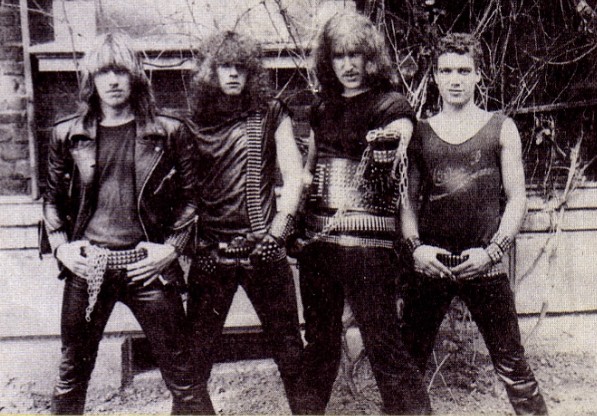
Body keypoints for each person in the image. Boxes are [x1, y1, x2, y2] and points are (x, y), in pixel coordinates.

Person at [42, 32, 207, 414]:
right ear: (92, 78)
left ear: (135, 76)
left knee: (185, 379)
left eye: (121, 71)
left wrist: (171, 249)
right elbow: (51, 200)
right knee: (71, 376)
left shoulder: (169, 132)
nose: (113, 81)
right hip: (89, 268)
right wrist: (62, 247)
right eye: (104, 72)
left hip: (146, 268)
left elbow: (192, 198)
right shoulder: (68, 134)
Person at [400, 33, 548, 415]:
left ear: (478, 75)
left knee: (513, 365)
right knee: (408, 368)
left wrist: (493, 252)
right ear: (435, 76)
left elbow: (517, 198)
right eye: (447, 71)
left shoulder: (501, 127)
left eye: (464, 71)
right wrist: (416, 249)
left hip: (484, 263)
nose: (455, 80)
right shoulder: (420, 132)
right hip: (432, 265)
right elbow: (407, 200)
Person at [293, 12, 431, 415]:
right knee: (319, 344)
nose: (348, 65)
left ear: (371, 58)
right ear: (328, 60)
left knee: (383, 342)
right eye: (339, 56)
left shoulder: (391, 104)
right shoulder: (322, 107)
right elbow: (310, 167)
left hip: (368, 247)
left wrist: (390, 143)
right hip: (318, 244)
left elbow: (399, 139)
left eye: (356, 55)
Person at [185, 31, 304, 414]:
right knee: (194, 360)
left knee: (291, 353)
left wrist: (278, 232)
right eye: (225, 66)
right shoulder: (192, 122)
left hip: (263, 250)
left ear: (252, 71)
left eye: (241, 66)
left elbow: (294, 175)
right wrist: (194, 244)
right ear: (211, 71)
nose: (233, 74)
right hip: (211, 255)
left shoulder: (271, 113)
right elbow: (183, 193)